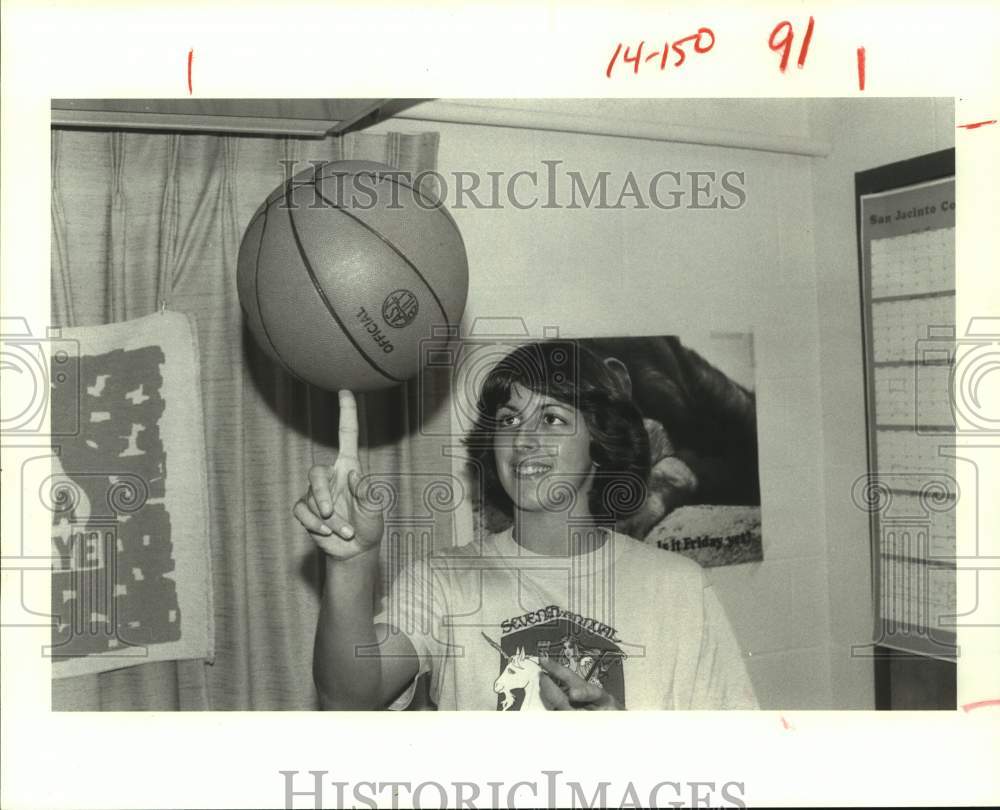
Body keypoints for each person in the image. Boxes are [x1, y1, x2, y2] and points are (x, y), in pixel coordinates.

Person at [295, 341, 757, 710]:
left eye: (552, 418)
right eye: (509, 419)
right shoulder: (442, 581)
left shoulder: (679, 588)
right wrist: (351, 564)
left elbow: (734, 760)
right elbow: (347, 698)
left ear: (600, 443)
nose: (522, 438)